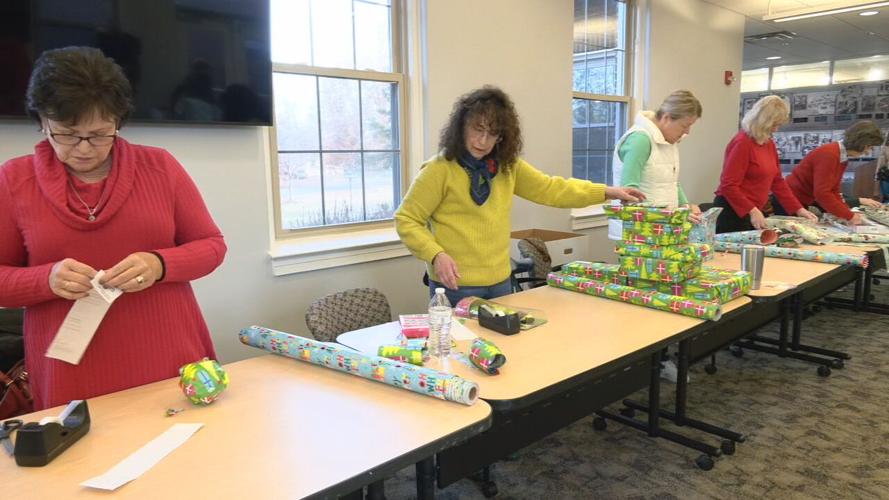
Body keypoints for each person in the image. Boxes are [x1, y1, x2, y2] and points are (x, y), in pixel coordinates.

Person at [0, 47, 226, 410]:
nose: (84, 148)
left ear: (118, 122)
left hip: (166, 349)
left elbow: (212, 246)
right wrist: (46, 280)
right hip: (71, 366)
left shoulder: (159, 167)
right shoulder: (14, 180)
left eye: (100, 134)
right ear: (42, 121)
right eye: (67, 134)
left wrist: (159, 264)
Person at [395, 86, 644, 305]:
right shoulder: (439, 169)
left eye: (492, 134)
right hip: (455, 285)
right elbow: (407, 219)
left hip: (500, 281)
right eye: (477, 130)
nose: (483, 141)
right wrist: (435, 255)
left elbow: (552, 189)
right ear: (462, 127)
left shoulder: (507, 166)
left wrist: (606, 191)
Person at [713, 95, 818, 233]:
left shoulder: (768, 143)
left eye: (778, 125)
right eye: (774, 125)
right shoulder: (742, 143)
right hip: (733, 211)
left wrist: (798, 209)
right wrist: (752, 210)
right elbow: (728, 185)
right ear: (763, 121)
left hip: (754, 211)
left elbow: (777, 181)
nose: (776, 129)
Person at [614, 90, 702, 221]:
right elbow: (629, 194)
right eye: (684, 126)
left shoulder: (668, 141)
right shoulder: (640, 140)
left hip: (663, 224)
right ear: (666, 118)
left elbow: (671, 182)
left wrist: (685, 206)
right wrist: (674, 216)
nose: (687, 132)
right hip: (637, 228)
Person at [779, 121, 884, 224]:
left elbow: (834, 191)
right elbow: (822, 193)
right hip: (788, 201)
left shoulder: (841, 156)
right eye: (869, 147)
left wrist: (846, 212)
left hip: (799, 200)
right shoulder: (830, 154)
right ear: (862, 143)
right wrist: (848, 215)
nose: (868, 152)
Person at [876, 133, 889, 202]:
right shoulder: (885, 147)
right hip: (886, 175)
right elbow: (880, 164)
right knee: (887, 197)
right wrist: (876, 177)